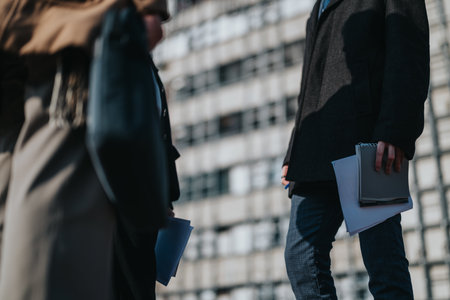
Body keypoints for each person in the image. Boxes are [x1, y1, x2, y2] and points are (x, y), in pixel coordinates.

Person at [0, 1, 179, 299]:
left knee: (10, 189)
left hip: (16, 23)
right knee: (61, 189)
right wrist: (141, 8)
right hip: (67, 22)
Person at [281, 0, 429, 299]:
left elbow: (408, 51)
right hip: (315, 151)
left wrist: (395, 130)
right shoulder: (318, 5)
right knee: (300, 257)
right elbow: (309, 82)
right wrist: (292, 151)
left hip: (372, 143)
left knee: (383, 263)